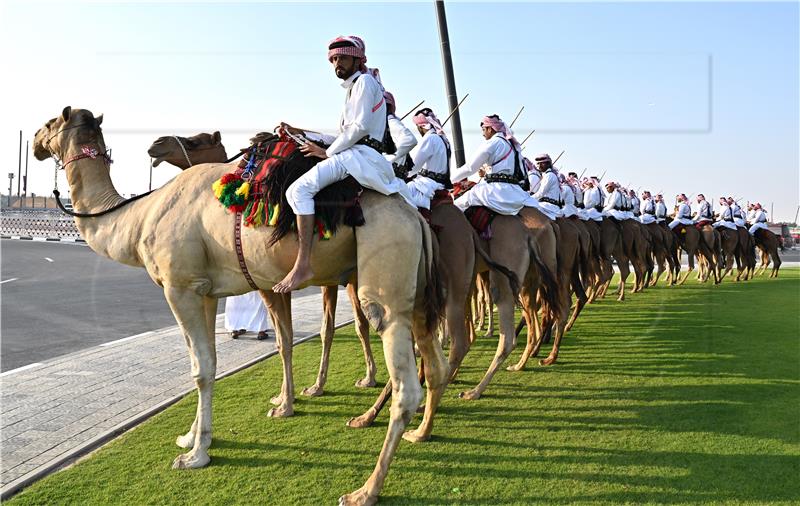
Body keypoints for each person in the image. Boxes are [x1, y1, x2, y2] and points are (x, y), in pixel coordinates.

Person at [274, 35, 412, 293]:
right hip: (358, 153)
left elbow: (357, 129)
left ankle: (303, 265)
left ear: (358, 59)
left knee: (297, 190)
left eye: (343, 58)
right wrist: (301, 131)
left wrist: (327, 153)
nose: (338, 63)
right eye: (334, 59)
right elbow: (342, 134)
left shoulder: (364, 82)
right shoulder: (357, 87)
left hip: (357, 157)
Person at [450, 114, 538, 215]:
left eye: (483, 129)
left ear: (490, 129)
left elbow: (470, 168)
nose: (482, 134)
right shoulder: (511, 145)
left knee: (457, 204)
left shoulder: (493, 143)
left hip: (497, 191)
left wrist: (448, 181)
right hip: (515, 192)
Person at [405, 107, 451, 209]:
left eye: (418, 127)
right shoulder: (444, 139)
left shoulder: (430, 138)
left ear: (421, 126)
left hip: (427, 185)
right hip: (440, 184)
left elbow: (413, 167)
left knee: (400, 193)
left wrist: (402, 173)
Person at [383, 91, 417, 178]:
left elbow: (410, 140)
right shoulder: (383, 124)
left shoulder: (391, 122)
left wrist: (388, 160)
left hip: (390, 178)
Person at [532, 153, 561, 220]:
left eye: (542, 163)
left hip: (547, 207)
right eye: (538, 163)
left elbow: (541, 193)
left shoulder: (549, 175)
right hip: (547, 206)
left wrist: (528, 198)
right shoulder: (547, 175)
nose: (539, 166)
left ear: (548, 164)